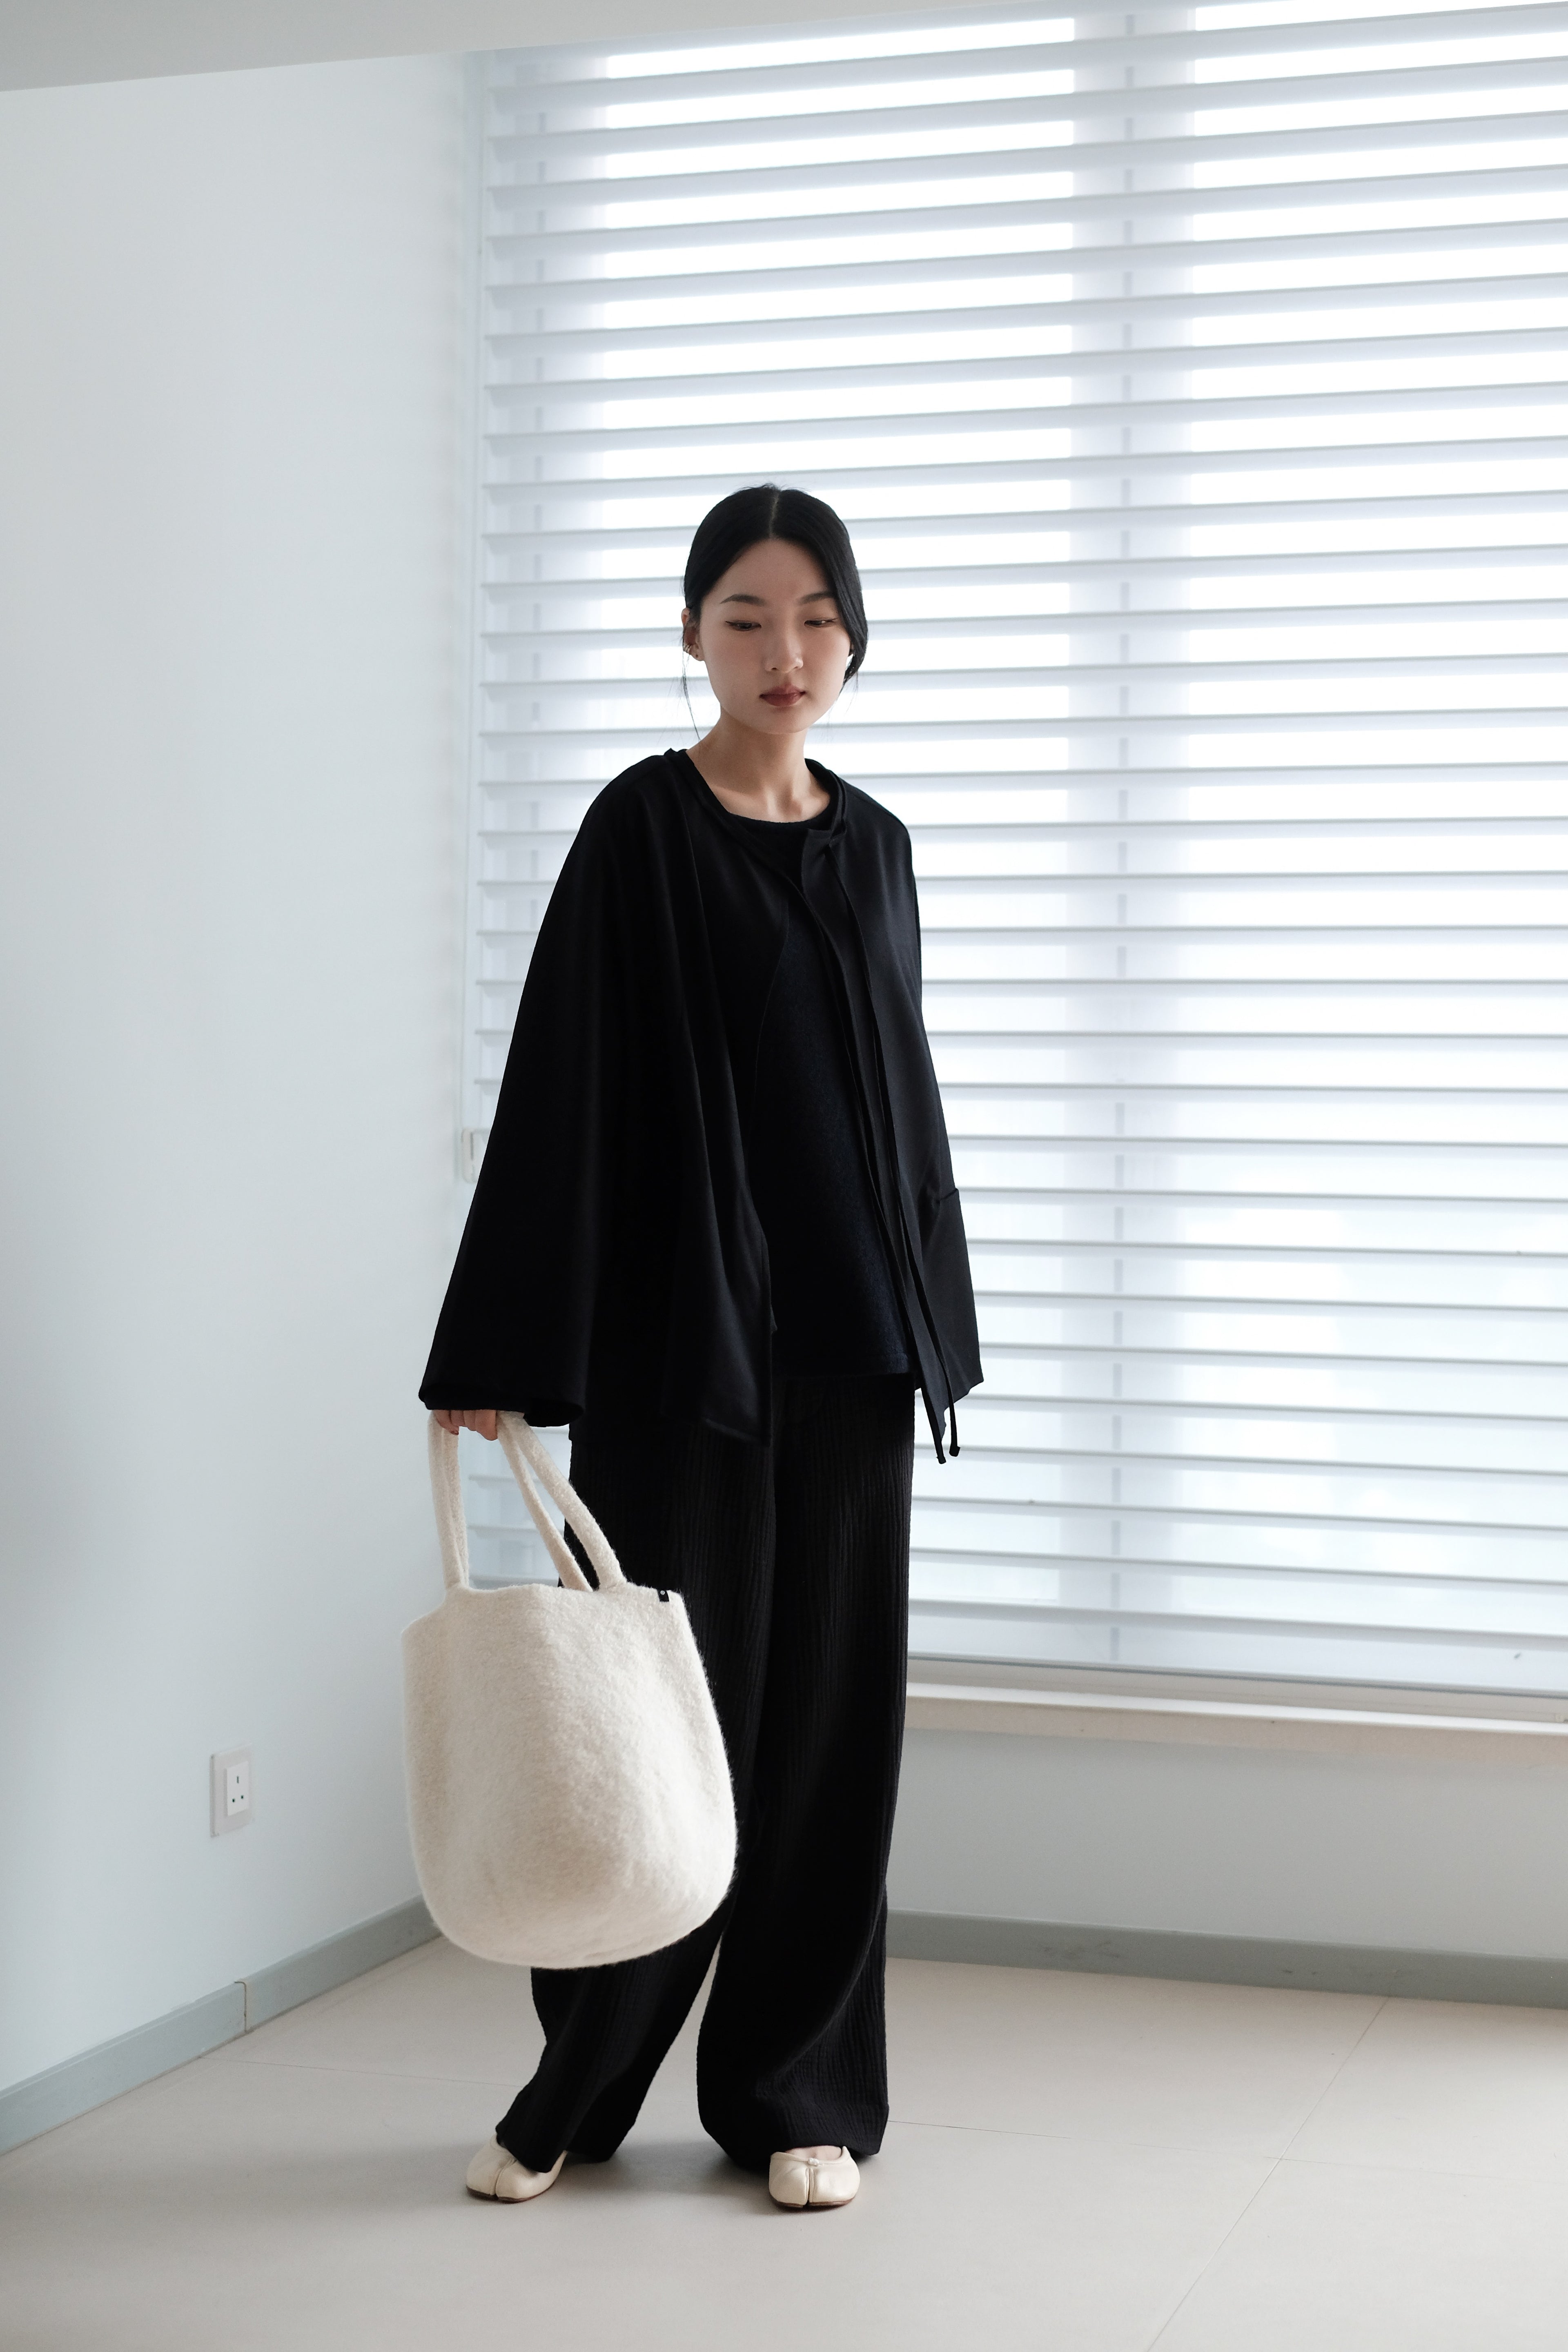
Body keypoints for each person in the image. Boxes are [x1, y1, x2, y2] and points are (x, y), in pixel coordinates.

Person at [420, 483, 981, 2212]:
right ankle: (576, 2092)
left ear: (854, 640)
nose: (783, 651)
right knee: (650, 1729)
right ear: (691, 635)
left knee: (828, 1739)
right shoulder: (641, 829)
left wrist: (934, 1319)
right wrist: (501, 1340)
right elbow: (564, 1081)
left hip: (854, 1353)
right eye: (745, 618)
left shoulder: (877, 845)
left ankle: (798, 2092)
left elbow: (900, 1101)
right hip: (684, 1354)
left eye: (815, 619)